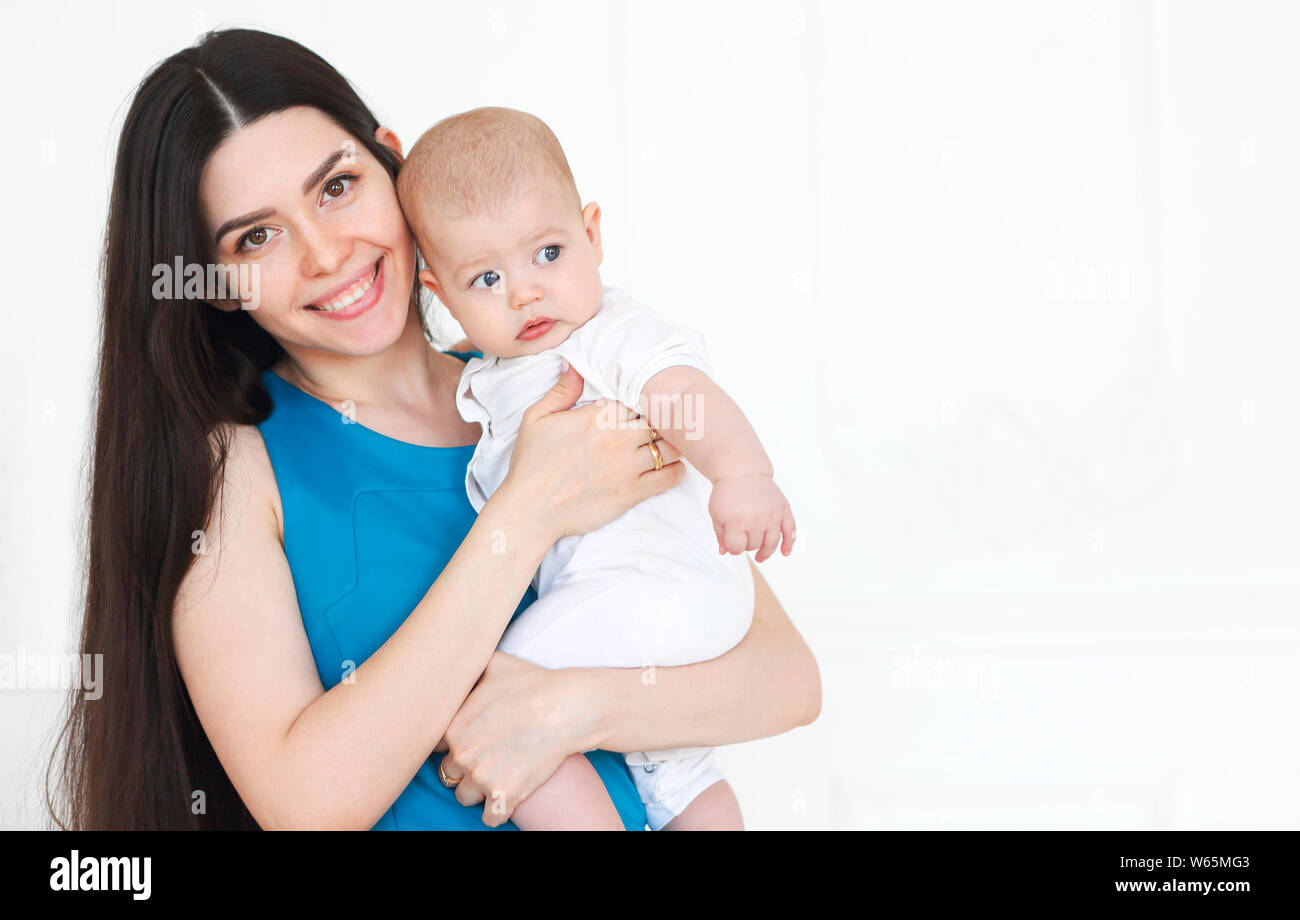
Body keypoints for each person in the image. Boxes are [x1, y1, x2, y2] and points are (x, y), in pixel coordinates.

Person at [48, 27, 820, 831]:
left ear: (392, 164)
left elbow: (787, 677)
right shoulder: (234, 468)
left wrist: (566, 709)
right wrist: (527, 514)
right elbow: (306, 804)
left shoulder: (555, 380)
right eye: (257, 236)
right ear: (214, 284)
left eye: (338, 187)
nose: (325, 253)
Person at [394, 107, 796, 830]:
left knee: (497, 699)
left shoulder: (606, 334)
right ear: (440, 294)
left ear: (593, 234)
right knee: (677, 769)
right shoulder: (491, 377)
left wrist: (743, 475)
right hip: (642, 610)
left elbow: (682, 393)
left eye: (547, 252)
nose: (525, 291)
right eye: (486, 277)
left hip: (659, 591)